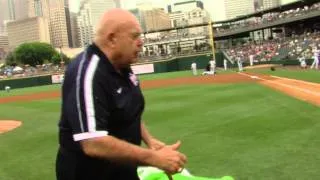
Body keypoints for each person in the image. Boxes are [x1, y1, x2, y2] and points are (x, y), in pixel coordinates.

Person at [55, 9, 187, 180]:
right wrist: (154, 158)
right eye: (134, 36)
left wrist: (149, 140)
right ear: (112, 39)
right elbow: (93, 142)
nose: (140, 42)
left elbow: (129, 112)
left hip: (122, 170)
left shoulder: (122, 66)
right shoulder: (88, 72)